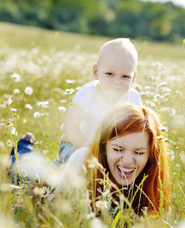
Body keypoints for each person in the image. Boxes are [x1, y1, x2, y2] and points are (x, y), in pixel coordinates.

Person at [53, 38, 142, 166]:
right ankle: (43, 179)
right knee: (69, 164)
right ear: (96, 72)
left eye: (125, 76)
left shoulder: (133, 98)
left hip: (109, 150)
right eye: (109, 74)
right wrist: (85, 144)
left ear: (133, 78)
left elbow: (138, 131)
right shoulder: (88, 93)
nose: (117, 81)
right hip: (76, 143)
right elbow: (70, 127)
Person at [85, 103, 170, 215]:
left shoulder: (154, 190)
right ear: (103, 148)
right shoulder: (81, 163)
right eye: (118, 150)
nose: (127, 161)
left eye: (139, 152)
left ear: (151, 155)